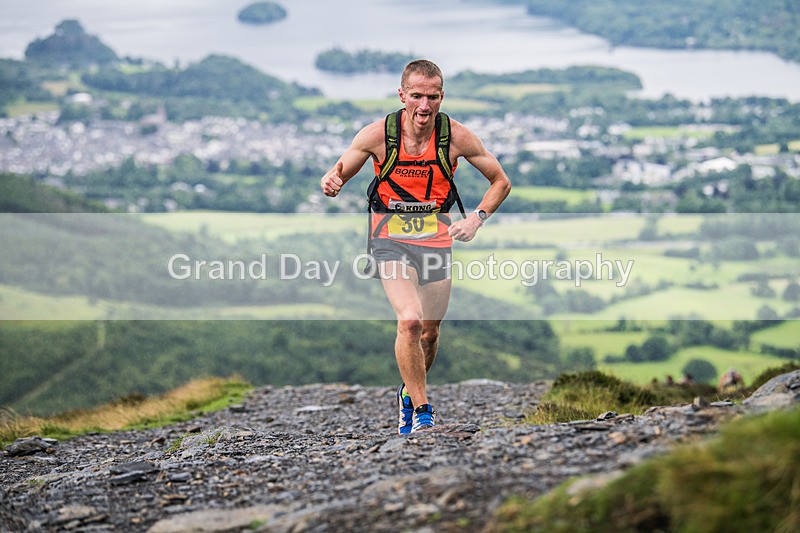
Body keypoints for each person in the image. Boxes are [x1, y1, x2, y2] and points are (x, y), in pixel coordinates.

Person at [320, 59, 511, 434]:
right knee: (409, 321)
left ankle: (409, 391)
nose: (425, 106)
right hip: (389, 239)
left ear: (442, 96)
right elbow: (340, 170)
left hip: (436, 240)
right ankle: (422, 411)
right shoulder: (378, 135)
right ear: (402, 95)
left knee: (429, 332)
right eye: (417, 96)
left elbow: (500, 182)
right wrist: (332, 179)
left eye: (433, 97)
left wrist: (476, 219)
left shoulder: (456, 137)